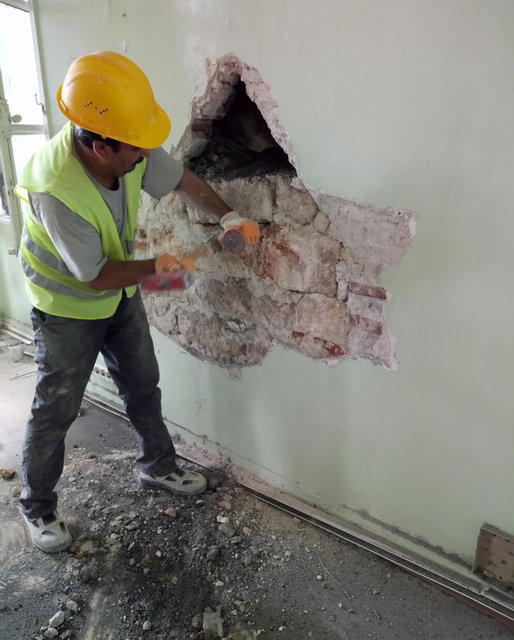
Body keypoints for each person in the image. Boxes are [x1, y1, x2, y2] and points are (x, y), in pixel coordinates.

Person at [15, 51, 260, 553]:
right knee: (56, 408)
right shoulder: (55, 188)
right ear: (101, 148)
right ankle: (37, 506)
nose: (146, 156)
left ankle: (158, 467)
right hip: (66, 308)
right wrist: (158, 268)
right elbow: (94, 276)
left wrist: (229, 216)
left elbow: (183, 181)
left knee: (143, 383)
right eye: (136, 151)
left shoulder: (127, 141)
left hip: (118, 294)